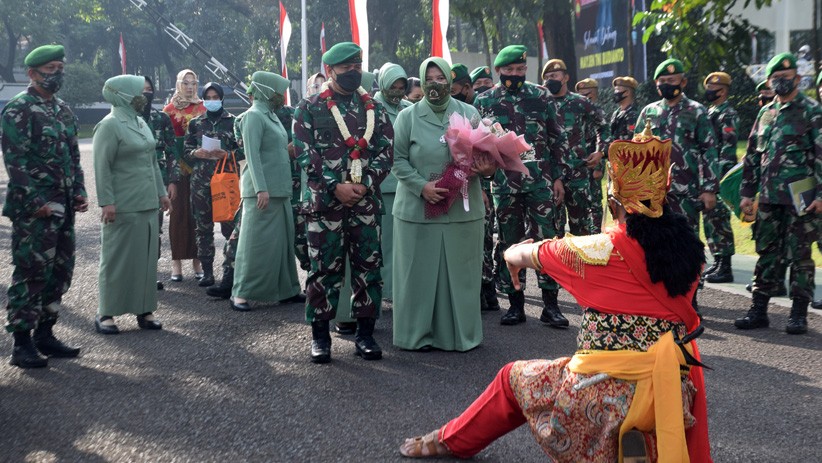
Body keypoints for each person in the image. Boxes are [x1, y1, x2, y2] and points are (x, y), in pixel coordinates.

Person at [398, 127, 711, 462]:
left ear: (613, 201)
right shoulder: (692, 256)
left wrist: (513, 256)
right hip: (672, 393)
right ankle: (639, 440)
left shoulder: (596, 250)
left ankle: (451, 441)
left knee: (514, 377)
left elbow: (520, 255)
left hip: (600, 393)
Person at [294, 42, 394, 363]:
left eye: (358, 65)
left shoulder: (373, 109)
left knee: (368, 269)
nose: (354, 71)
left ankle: (365, 335)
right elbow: (306, 155)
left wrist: (364, 184)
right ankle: (320, 338)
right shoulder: (309, 107)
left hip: (364, 203)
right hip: (325, 205)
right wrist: (335, 186)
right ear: (329, 71)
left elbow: (385, 151)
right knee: (324, 271)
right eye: (346, 67)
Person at [392, 57, 495, 352]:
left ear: (450, 81)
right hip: (417, 209)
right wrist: (421, 187)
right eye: (429, 78)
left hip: (461, 208)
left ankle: (460, 335)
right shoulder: (407, 117)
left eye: (440, 78)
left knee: (462, 274)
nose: (435, 83)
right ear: (422, 82)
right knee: (418, 275)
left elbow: (489, 157)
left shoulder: (470, 112)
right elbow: (397, 161)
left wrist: (486, 169)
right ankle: (417, 334)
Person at [1, 44, 87, 368]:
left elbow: (74, 158)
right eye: (51, 68)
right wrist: (36, 201)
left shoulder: (63, 110)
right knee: (31, 273)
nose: (57, 74)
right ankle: (21, 343)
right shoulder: (18, 109)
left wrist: (78, 191)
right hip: (34, 211)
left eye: (60, 67)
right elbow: (15, 161)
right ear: (32, 73)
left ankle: (45, 334)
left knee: (60, 272)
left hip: (62, 206)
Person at [474, 45, 570, 328]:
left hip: (540, 182)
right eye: (509, 71)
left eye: (520, 70)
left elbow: (557, 139)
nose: (515, 75)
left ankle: (550, 305)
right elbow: (477, 148)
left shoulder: (540, 96)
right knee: (509, 242)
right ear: (499, 71)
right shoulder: (485, 101)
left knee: (547, 242)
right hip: (504, 185)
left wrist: (558, 177)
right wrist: (482, 182)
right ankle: (515, 305)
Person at [737, 53, 822, 335]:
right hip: (770, 199)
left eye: (786, 78)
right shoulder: (765, 113)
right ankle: (759, 310)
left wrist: (820, 195)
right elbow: (751, 156)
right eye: (776, 79)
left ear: (798, 79)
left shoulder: (811, 111)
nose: (781, 82)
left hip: (803, 200)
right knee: (766, 254)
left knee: (800, 256)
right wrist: (748, 193)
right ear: (769, 82)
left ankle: (799, 314)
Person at [635, 58, 719, 313]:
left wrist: (709, 188)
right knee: (651, 245)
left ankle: (689, 302)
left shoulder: (696, 111)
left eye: (672, 81)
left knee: (686, 246)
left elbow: (709, 151)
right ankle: (658, 302)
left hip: (686, 192)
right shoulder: (648, 112)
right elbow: (635, 149)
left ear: (683, 82)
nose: (667, 85)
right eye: (662, 82)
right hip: (652, 193)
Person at [93, 74, 171, 334]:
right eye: (139, 92)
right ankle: (106, 312)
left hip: (147, 202)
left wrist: (161, 193)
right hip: (123, 204)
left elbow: (152, 161)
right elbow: (101, 167)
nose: (144, 96)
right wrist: (106, 202)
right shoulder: (110, 125)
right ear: (124, 95)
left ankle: (144, 309)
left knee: (146, 260)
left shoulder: (139, 122)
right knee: (117, 260)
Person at [229, 71, 302, 311]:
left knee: (282, 242)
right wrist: (261, 188)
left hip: (279, 189)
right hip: (262, 191)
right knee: (253, 243)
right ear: (265, 91)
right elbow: (252, 155)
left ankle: (288, 289)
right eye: (277, 92)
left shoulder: (270, 115)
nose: (281, 96)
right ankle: (240, 293)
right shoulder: (253, 116)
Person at [542, 60, 610, 237]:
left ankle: (581, 265)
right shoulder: (541, 104)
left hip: (577, 174)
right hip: (551, 176)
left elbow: (603, 126)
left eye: (554, 76)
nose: (551, 80)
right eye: (547, 77)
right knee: (554, 231)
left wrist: (600, 151)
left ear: (565, 78)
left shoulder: (580, 102)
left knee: (581, 230)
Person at [183, 82, 238, 287]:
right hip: (201, 182)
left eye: (216, 97)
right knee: (203, 227)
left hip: (226, 181)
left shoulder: (234, 122)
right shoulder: (196, 123)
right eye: (209, 97)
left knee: (230, 228)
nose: (212, 100)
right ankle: (207, 272)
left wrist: (228, 154)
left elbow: (242, 150)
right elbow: (186, 151)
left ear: (222, 98)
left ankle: (230, 272)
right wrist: (195, 153)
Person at [373, 62, 412, 304]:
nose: (397, 91)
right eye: (393, 86)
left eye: (401, 86)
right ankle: (386, 290)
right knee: (385, 243)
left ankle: (400, 288)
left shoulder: (408, 108)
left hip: (407, 186)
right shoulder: (371, 107)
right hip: (382, 185)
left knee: (405, 244)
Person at [163, 69, 205, 282]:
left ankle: (197, 261)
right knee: (178, 214)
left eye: (193, 83)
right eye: (186, 83)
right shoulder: (169, 110)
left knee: (198, 213)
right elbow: (166, 143)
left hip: (199, 168)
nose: (190, 87)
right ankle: (176, 262)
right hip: (177, 170)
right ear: (179, 84)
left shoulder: (202, 108)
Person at [141, 77, 178, 292]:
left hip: (159, 182)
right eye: (142, 90)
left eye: (149, 90)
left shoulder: (161, 118)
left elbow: (172, 151)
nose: (146, 94)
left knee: (154, 230)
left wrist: (173, 181)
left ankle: (149, 274)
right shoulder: (126, 120)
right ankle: (136, 275)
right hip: (134, 183)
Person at [701, 72, 738, 284]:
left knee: (720, 220)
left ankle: (726, 266)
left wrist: (719, 177)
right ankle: (718, 261)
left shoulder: (727, 114)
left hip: (720, 175)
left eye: (712, 88)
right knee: (711, 220)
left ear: (722, 90)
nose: (709, 91)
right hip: (709, 174)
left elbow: (728, 147)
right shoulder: (711, 111)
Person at [472, 64, 501, 311]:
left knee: (488, 240)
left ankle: (489, 286)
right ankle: (480, 288)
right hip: (477, 188)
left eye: (486, 82)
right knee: (478, 241)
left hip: (500, 184)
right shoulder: (469, 113)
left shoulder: (492, 112)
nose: (482, 87)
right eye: (476, 84)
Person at [576, 77, 608, 231]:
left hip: (593, 162)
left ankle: (597, 231)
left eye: (587, 94)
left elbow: (602, 138)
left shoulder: (597, 112)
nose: (584, 97)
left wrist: (599, 166)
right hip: (579, 165)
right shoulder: (578, 111)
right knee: (581, 202)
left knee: (594, 201)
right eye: (580, 94)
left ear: (594, 94)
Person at [610, 76, 639, 141]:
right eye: (615, 90)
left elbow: (632, 140)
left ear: (627, 92)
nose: (615, 93)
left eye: (617, 90)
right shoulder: (616, 113)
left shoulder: (632, 114)